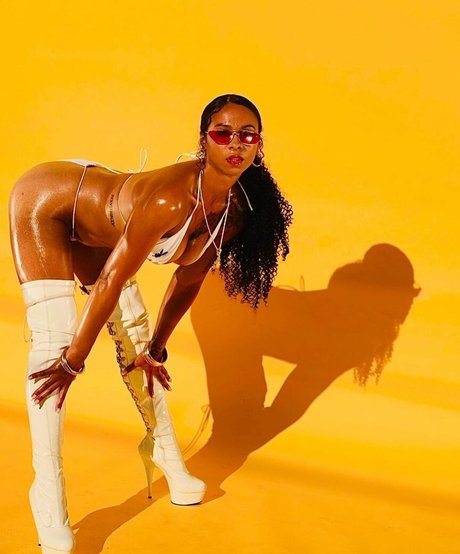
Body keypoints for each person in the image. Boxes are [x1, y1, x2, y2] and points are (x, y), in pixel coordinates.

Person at [8, 94, 293, 554]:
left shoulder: (234, 213)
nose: (235, 144)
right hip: (48, 203)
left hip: (99, 224)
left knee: (137, 338)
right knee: (53, 348)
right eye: (223, 133)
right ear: (204, 141)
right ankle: (48, 492)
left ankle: (165, 453)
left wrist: (157, 349)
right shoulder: (168, 199)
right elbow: (111, 280)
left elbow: (188, 280)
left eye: (247, 135)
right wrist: (73, 362)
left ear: (259, 144)